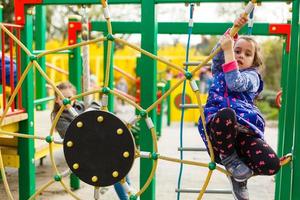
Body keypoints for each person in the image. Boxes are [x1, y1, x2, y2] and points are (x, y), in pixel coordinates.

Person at [198, 15, 280, 200]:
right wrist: (233, 30)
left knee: (272, 164)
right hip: (219, 135)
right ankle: (230, 160)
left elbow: (235, 82)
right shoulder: (219, 69)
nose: (240, 55)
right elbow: (218, 52)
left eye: (247, 53)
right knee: (226, 115)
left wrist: (230, 52)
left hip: (243, 133)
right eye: (237, 50)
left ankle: (238, 177)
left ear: (254, 62)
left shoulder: (253, 77)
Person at [51, 81, 131, 200]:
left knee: (121, 168)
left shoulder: (80, 105)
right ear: (57, 100)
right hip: (85, 153)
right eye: (63, 98)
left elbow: (95, 105)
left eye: (70, 97)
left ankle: (127, 194)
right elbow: (73, 134)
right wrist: (88, 119)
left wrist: (88, 115)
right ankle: (125, 196)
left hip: (97, 143)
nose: (67, 101)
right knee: (115, 170)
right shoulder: (59, 117)